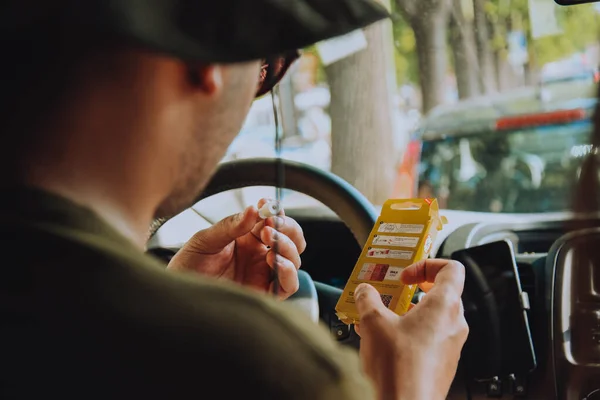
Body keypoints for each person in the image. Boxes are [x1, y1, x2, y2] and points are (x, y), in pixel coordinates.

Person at [0, 1, 468, 399]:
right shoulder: (271, 369)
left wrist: (178, 302)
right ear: (211, 61)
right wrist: (409, 384)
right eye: (270, 66)